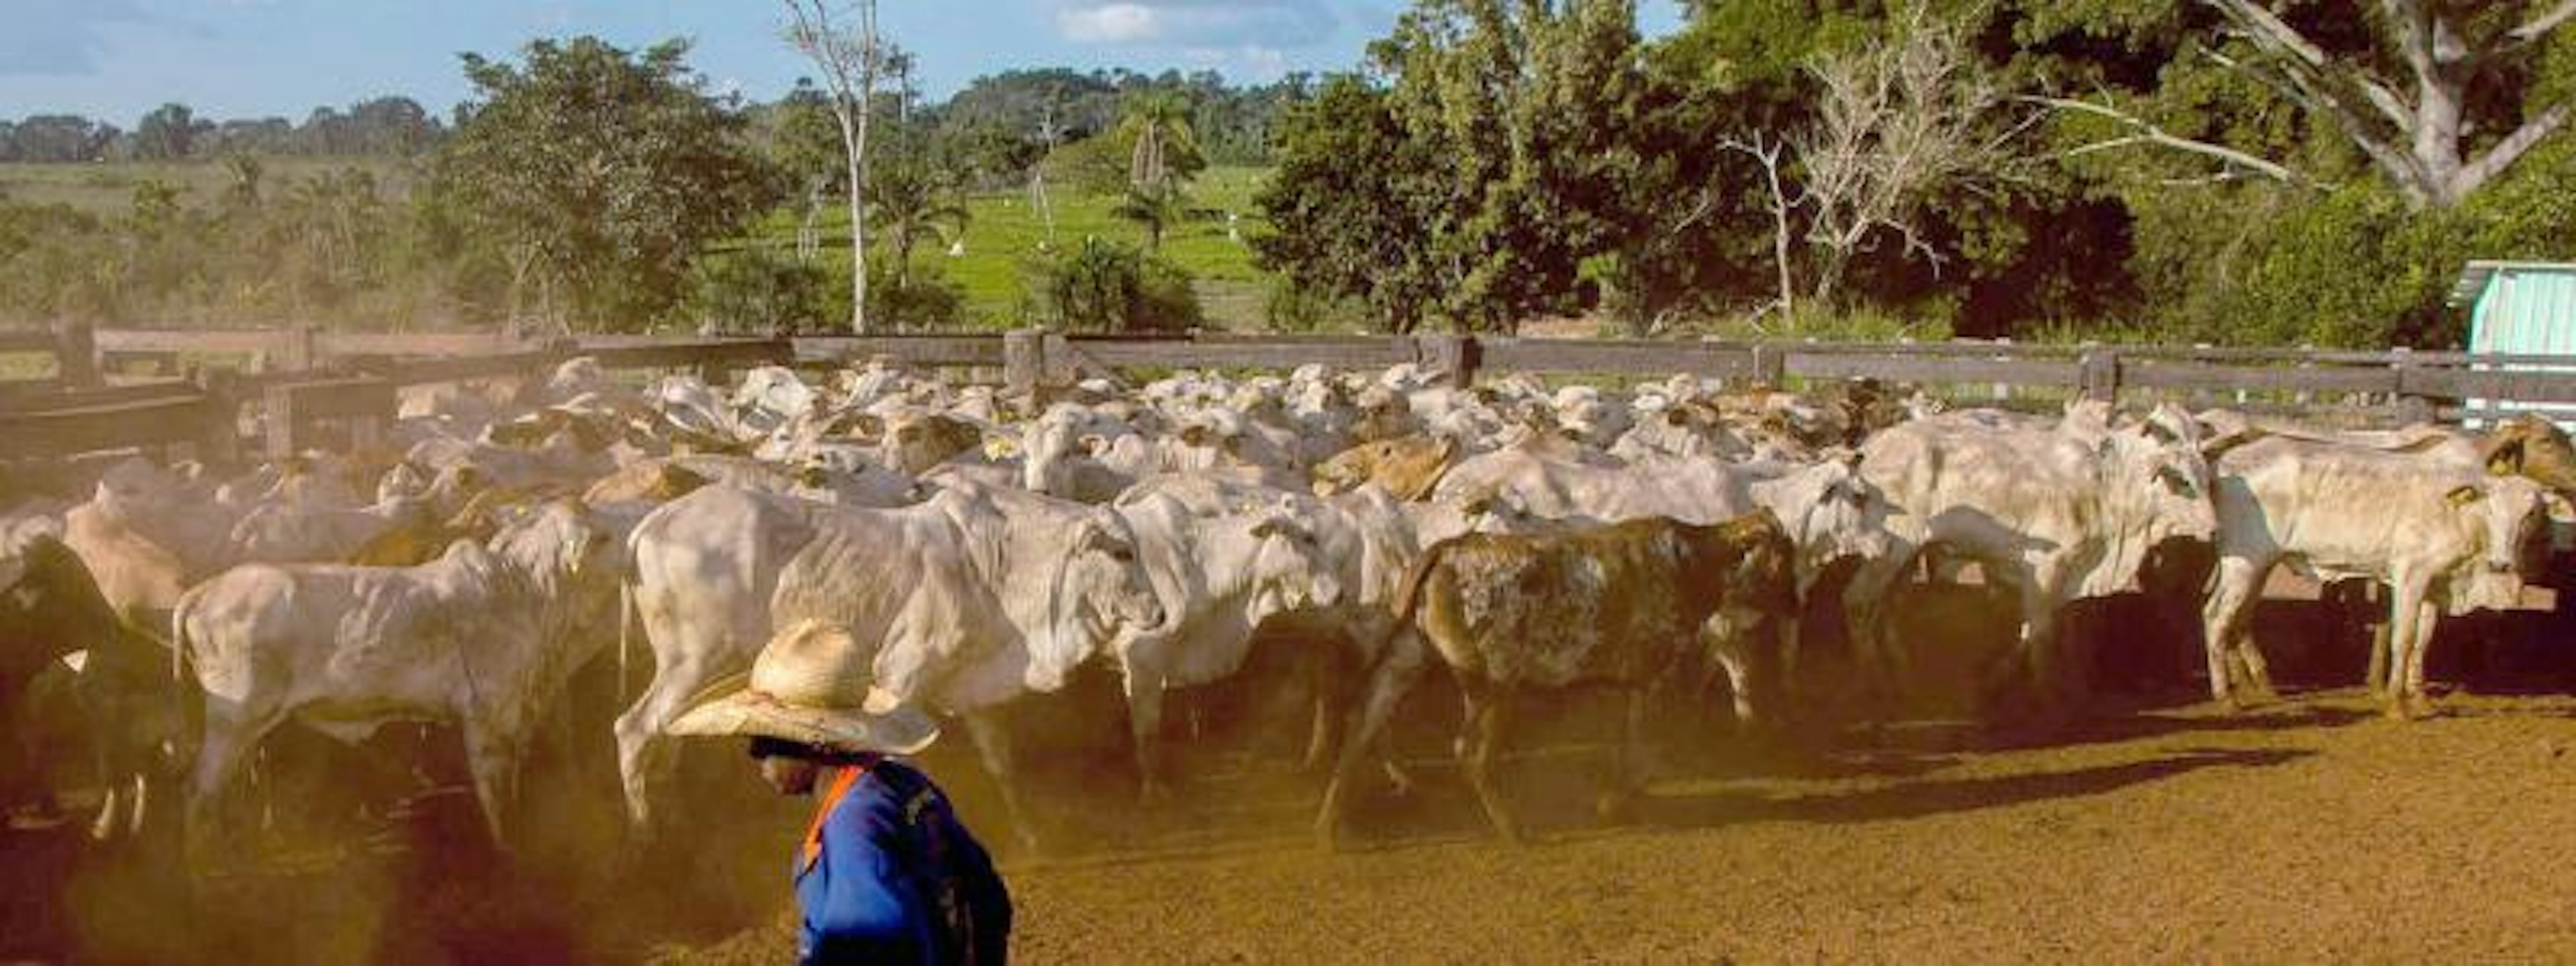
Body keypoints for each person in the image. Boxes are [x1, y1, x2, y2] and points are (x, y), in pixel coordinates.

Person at [669, 619, 1012, 965]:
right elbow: (988, 897)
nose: (755, 753)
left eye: (768, 738)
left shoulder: (852, 825)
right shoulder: (907, 785)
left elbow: (865, 944)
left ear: (816, 741)